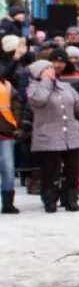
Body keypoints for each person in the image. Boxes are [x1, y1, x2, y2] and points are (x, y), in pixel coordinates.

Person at [25, 58, 79, 212]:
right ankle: (49, 200)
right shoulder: (34, 89)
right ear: (39, 73)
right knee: (50, 172)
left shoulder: (66, 87)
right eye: (47, 68)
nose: (52, 70)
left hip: (71, 135)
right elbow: (40, 100)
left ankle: (70, 199)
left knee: (73, 170)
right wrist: (45, 82)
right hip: (48, 138)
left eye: (52, 68)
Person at [0, 69, 17, 213]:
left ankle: (8, 203)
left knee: (8, 168)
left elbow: (16, 104)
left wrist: (15, 123)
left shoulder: (7, 85)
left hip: (5, 132)